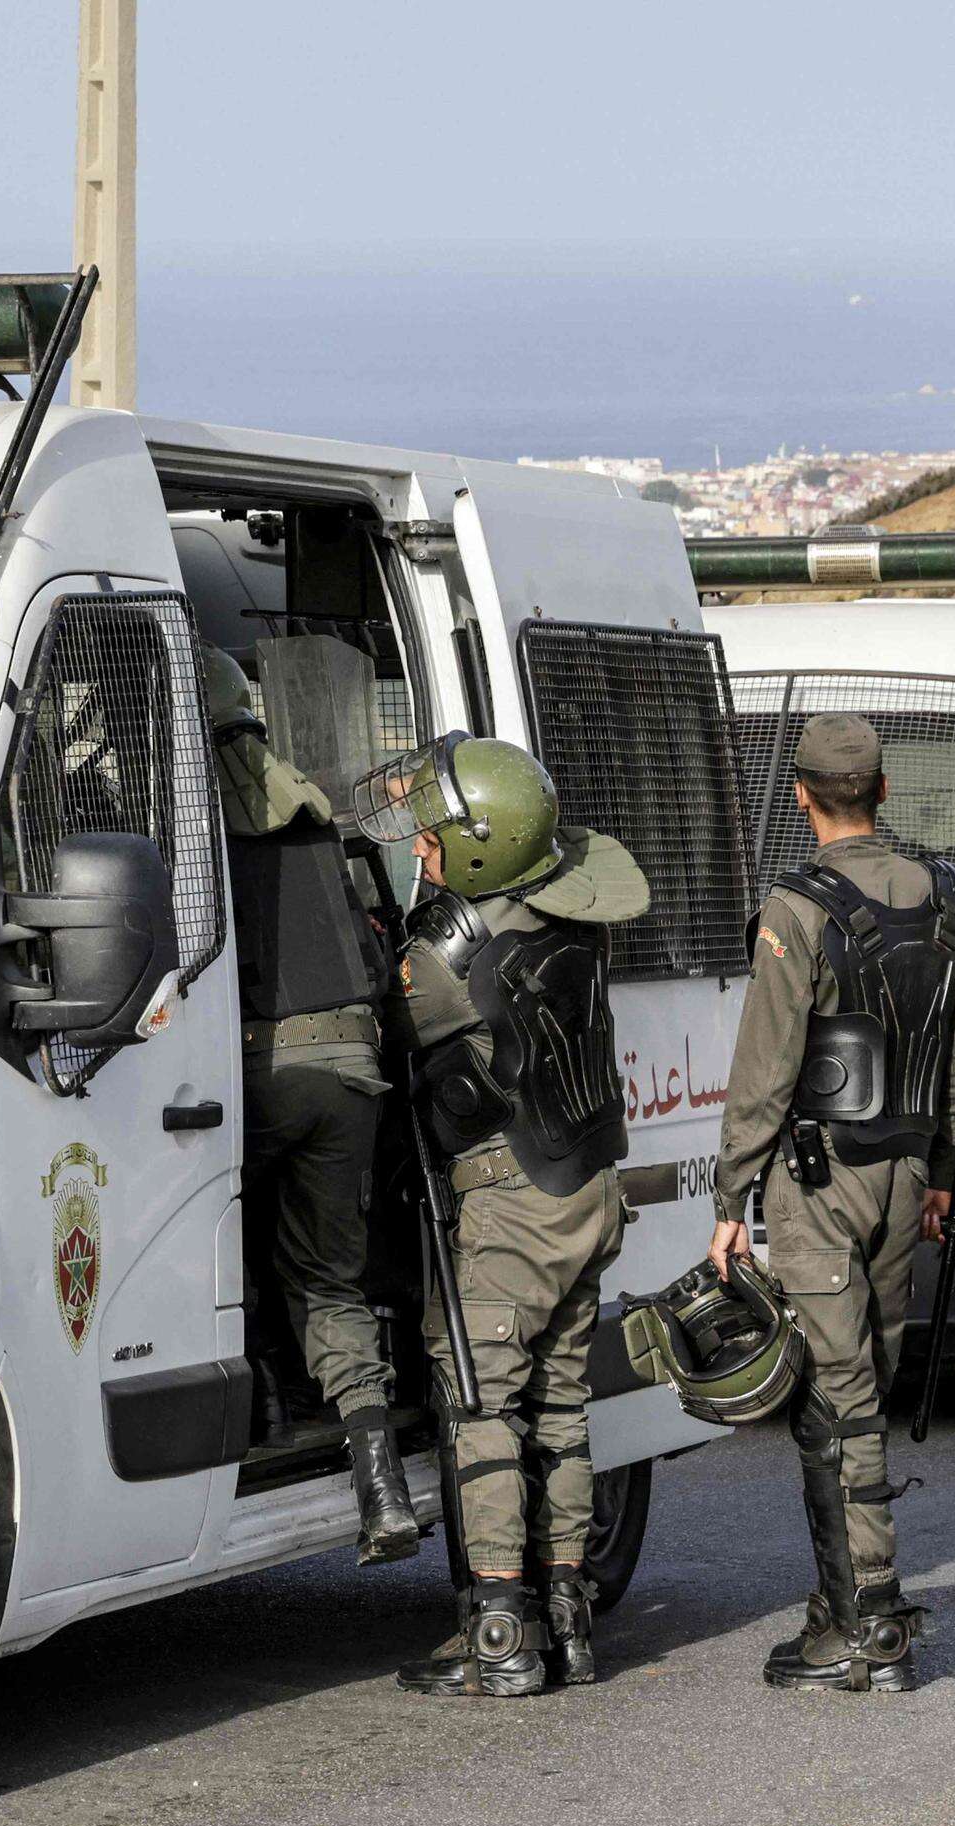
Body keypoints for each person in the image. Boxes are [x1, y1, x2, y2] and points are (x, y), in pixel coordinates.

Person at [352, 731, 648, 1697]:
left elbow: (386, 1032)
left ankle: (498, 1633)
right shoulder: (573, 910)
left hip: (510, 1201)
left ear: (481, 846)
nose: (423, 852)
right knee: (562, 1404)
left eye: (436, 839)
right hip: (588, 1183)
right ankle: (568, 1619)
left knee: (482, 1405)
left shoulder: (444, 958)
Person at [709, 713, 955, 1693]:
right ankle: (838, 1611)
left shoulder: (796, 906)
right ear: (883, 788)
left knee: (843, 1398)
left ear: (799, 793)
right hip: (906, 1173)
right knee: (852, 1390)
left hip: (817, 1183)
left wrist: (731, 1190)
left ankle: (872, 1622)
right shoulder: (937, 895)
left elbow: (765, 1065)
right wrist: (946, 1172)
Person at [203, 647, 416, 1564]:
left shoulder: (192, 821)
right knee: (332, 1280)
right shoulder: (318, 814)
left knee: (219, 1245)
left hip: (253, 1075)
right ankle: (382, 1489)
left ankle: (267, 1402)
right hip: (353, 1074)